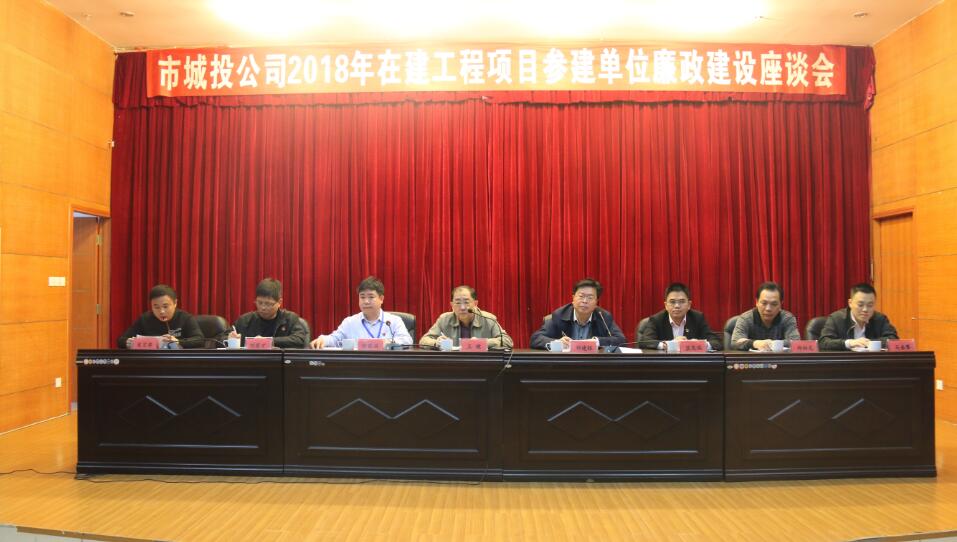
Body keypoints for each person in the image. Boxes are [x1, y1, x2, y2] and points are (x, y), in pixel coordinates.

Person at [309, 276, 413, 348]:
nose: (366, 301)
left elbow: (407, 341)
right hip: (357, 368)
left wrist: (387, 342)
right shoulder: (350, 322)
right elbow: (335, 339)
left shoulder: (393, 321)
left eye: (371, 297)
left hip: (387, 366)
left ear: (381, 299)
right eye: (362, 297)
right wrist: (323, 339)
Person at [529, 278, 626, 351]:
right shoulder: (559, 315)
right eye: (581, 296)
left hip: (594, 365)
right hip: (565, 365)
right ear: (573, 298)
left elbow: (621, 340)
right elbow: (536, 339)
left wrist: (597, 341)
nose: (585, 301)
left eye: (590, 297)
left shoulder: (603, 317)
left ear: (596, 302)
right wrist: (557, 342)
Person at [420, 285, 514, 349]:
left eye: (466, 302)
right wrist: (437, 343)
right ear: (452, 305)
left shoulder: (488, 319)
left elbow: (507, 341)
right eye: (457, 303)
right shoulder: (444, 319)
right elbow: (423, 340)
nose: (462, 307)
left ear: (475, 303)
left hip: (481, 364)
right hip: (453, 365)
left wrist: (482, 343)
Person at [226, 278, 309, 348]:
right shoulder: (244, 321)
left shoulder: (290, 319)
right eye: (259, 302)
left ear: (279, 302)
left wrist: (269, 341)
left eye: (268, 304)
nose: (263, 307)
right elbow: (223, 337)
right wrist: (230, 338)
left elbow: (299, 339)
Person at [638, 282, 722, 351]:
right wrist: (669, 344)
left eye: (681, 301)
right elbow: (644, 342)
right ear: (666, 305)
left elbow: (716, 342)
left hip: (690, 363)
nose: (677, 306)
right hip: (665, 363)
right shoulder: (657, 319)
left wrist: (698, 345)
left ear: (689, 305)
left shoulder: (698, 318)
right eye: (672, 302)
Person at [118, 284, 204, 349]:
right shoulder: (144, 319)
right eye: (156, 307)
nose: (161, 311)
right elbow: (121, 340)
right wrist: (127, 342)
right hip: (151, 361)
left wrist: (178, 342)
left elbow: (200, 340)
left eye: (165, 306)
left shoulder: (185, 318)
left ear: (175, 303)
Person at [819, 283, 899, 351]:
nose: (865, 309)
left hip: (872, 362)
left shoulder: (880, 319)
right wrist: (849, 343)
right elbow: (823, 342)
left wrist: (869, 343)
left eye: (870, 305)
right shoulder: (836, 319)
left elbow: (893, 339)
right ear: (850, 303)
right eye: (860, 305)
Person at [730, 281, 801, 351]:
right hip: (753, 358)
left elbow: (796, 342)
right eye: (764, 303)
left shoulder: (787, 318)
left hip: (778, 358)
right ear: (757, 302)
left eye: (774, 304)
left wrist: (772, 343)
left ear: (780, 304)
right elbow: (735, 342)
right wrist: (755, 343)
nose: (768, 309)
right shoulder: (746, 318)